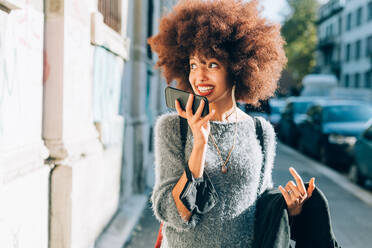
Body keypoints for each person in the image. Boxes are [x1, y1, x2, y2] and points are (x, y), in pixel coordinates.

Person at [148, 0, 316, 247]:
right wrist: (199, 146)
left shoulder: (261, 132)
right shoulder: (175, 128)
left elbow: (261, 204)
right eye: (194, 64)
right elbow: (172, 213)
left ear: (237, 67)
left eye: (212, 64)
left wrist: (290, 206)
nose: (199, 76)